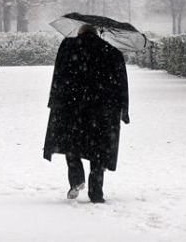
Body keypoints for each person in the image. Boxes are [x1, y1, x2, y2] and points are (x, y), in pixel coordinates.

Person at [43, 24, 129, 203]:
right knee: (98, 151)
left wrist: (54, 101)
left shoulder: (68, 46)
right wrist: (124, 110)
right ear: (98, 32)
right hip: (102, 110)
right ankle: (96, 193)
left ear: (79, 31)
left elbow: (58, 75)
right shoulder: (112, 52)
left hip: (72, 107)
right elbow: (122, 85)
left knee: (71, 144)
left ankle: (76, 179)